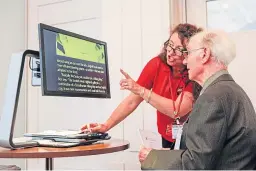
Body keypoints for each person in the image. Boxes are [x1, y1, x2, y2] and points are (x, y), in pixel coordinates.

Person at [139, 30, 256, 169]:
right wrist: (167, 154)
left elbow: (196, 164)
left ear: (204, 54)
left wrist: (153, 158)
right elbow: (207, 153)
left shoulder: (212, 98)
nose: (184, 60)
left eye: (188, 53)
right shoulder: (230, 90)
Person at [81, 23, 202, 149]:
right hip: (166, 137)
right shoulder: (156, 64)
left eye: (178, 50)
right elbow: (132, 101)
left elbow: (177, 110)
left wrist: (139, 89)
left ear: (189, 53)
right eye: (169, 45)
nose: (170, 53)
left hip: (192, 138)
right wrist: (106, 125)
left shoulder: (194, 72)